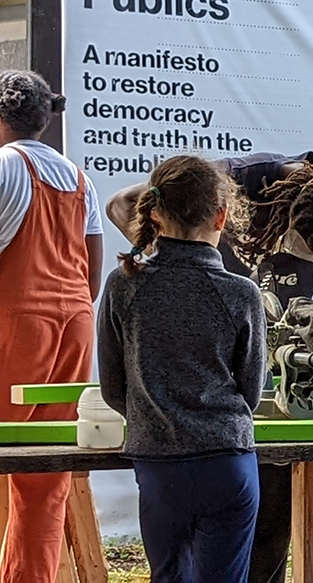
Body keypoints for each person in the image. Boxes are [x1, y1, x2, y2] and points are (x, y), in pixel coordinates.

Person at [107, 151, 313, 583]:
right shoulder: (238, 179)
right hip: (225, 405)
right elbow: (122, 203)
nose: (311, 260)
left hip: (240, 397)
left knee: (261, 538)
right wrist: (176, 281)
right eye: (306, 247)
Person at [97, 155, 266, 582]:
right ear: (222, 216)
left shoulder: (123, 284)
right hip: (228, 462)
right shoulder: (240, 293)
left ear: (153, 211)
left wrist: (155, 418)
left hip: (159, 464)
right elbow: (252, 390)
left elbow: (113, 388)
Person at [0, 71, 103, 581]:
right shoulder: (80, 178)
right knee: (44, 471)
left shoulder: (3, 166)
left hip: (19, 321)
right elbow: (92, 273)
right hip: (75, 324)